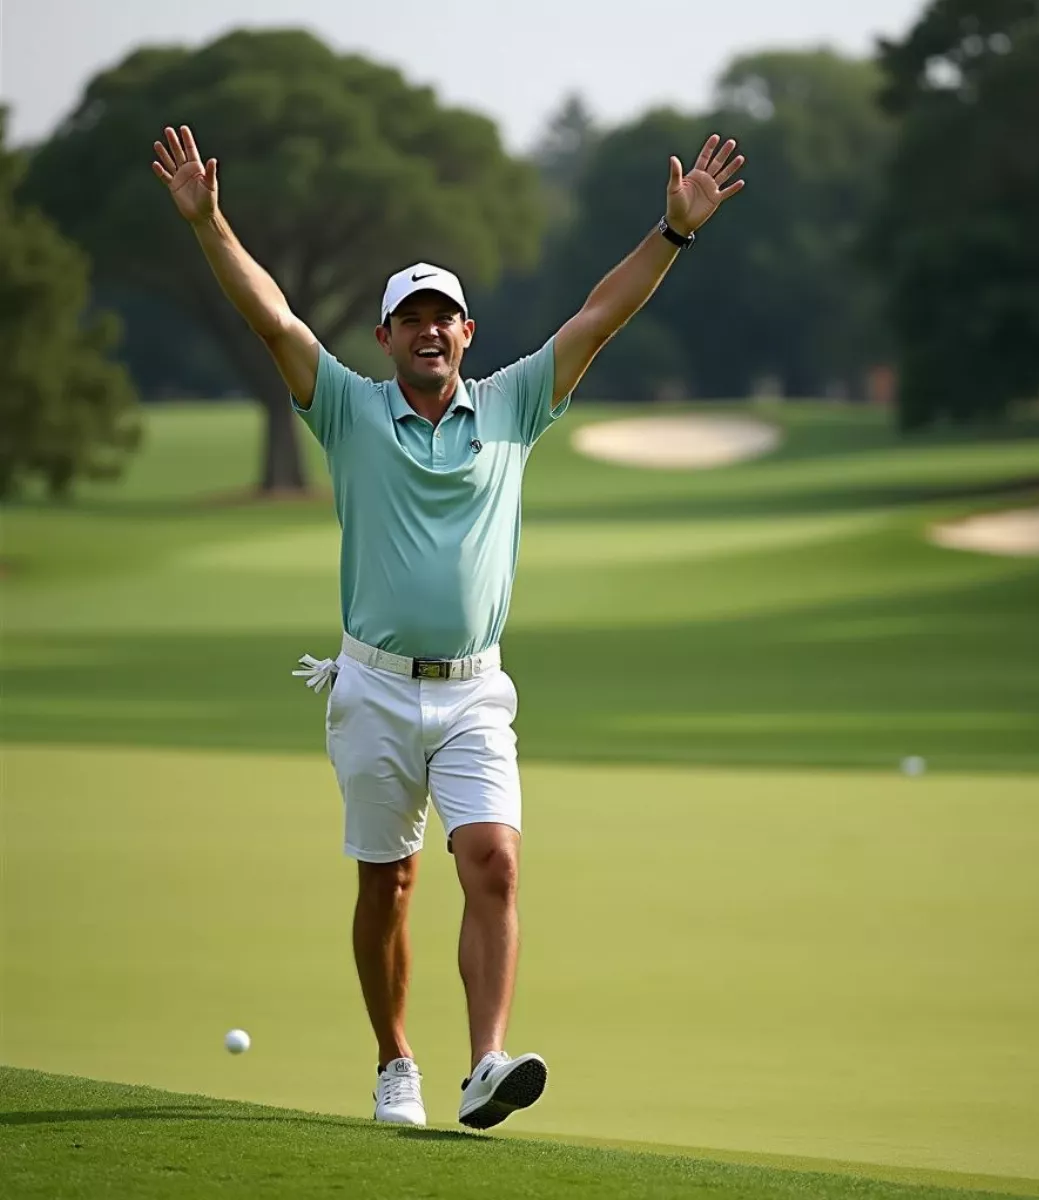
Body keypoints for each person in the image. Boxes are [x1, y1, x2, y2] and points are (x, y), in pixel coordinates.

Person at [152, 123, 745, 1130]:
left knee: (495, 860)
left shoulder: (514, 405)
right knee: (387, 885)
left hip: (475, 689)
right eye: (411, 319)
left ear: (468, 333)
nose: (430, 330)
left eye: (446, 317)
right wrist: (210, 226)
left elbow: (600, 317)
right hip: (372, 684)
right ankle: (395, 1063)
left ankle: (486, 1064)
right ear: (385, 338)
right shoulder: (344, 408)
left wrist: (673, 234)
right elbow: (276, 320)